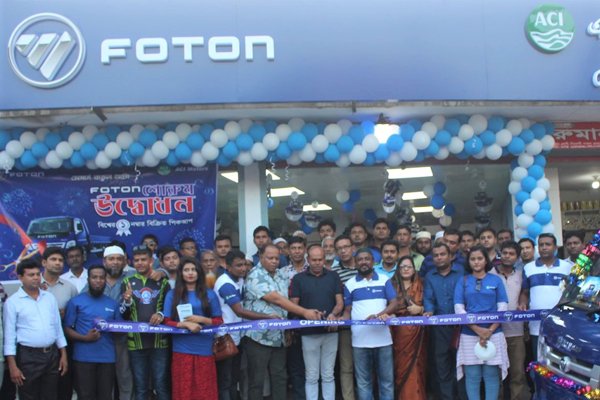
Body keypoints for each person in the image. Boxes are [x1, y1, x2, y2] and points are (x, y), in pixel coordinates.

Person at [242, 244, 321, 400]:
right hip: (258, 337)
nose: (274, 261)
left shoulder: (281, 275)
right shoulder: (254, 275)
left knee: (280, 378)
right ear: (261, 257)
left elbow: (288, 302)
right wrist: (305, 312)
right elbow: (277, 300)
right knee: (257, 381)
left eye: (277, 258)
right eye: (269, 258)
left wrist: (289, 327)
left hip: (279, 337)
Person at [214, 250, 279, 400]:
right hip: (225, 338)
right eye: (238, 265)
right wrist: (267, 317)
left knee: (234, 378)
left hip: (237, 336)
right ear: (228, 267)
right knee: (226, 381)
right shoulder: (225, 284)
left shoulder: (239, 279)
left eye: (244, 264)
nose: (243, 268)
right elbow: (239, 311)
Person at [3, 259, 68, 400]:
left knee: (51, 395)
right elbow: (9, 337)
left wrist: (63, 355)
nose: (36, 278)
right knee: (29, 395)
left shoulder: (49, 298)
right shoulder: (13, 302)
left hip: (52, 355)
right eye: (31, 275)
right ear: (20, 277)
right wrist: (12, 366)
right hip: (28, 356)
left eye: (38, 274)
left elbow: (57, 329)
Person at [163, 257, 223, 400]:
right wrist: (184, 324)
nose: (190, 273)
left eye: (193, 270)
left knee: (204, 391)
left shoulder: (209, 293)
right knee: (184, 391)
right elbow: (166, 321)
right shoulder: (172, 294)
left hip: (204, 348)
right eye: (186, 270)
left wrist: (201, 319)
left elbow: (219, 321)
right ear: (181, 273)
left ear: (199, 272)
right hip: (181, 349)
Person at [455, 245, 509, 400]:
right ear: (468, 262)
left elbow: (503, 307)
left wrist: (489, 330)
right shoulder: (463, 281)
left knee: (491, 374)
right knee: (472, 375)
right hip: (469, 334)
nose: (476, 262)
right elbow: (459, 308)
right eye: (473, 259)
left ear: (486, 260)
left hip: (494, 333)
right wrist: (478, 330)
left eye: (480, 258)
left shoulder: (496, 280)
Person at [343, 248, 397, 400]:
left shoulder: (384, 279)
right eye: (360, 259)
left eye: (367, 259)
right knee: (363, 382)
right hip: (360, 341)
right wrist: (340, 319)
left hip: (383, 340)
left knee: (386, 382)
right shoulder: (349, 284)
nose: (363, 262)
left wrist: (378, 316)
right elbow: (347, 310)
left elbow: (394, 303)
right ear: (355, 263)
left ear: (373, 262)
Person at [290, 245, 344, 400]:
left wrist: (333, 314)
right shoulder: (298, 279)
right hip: (308, 333)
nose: (317, 263)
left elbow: (340, 302)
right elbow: (293, 306)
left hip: (331, 331)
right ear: (308, 259)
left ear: (324, 259)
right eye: (314, 260)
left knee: (328, 374)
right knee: (311, 375)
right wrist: (308, 313)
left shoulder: (333, 276)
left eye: (320, 259)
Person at [121, 245, 171, 400]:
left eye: (144, 259)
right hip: (136, 343)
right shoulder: (127, 281)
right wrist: (127, 302)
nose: (140, 263)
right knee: (140, 386)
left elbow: (170, 308)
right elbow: (124, 315)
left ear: (151, 261)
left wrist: (161, 314)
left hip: (159, 342)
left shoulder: (163, 281)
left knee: (161, 384)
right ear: (131, 262)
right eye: (136, 260)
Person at [64, 265, 120, 400]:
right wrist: (85, 338)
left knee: (105, 396)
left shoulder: (113, 304)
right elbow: (67, 329)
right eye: (94, 277)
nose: (98, 281)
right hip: (83, 358)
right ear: (88, 279)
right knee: (85, 396)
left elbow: (120, 328)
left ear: (105, 280)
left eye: (101, 277)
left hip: (107, 358)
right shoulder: (76, 302)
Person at [423, 242, 465, 400]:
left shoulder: (461, 272)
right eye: (436, 255)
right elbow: (428, 298)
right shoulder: (430, 276)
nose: (439, 258)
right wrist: (429, 310)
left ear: (451, 256)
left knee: (461, 363)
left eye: (442, 254)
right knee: (442, 364)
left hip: (462, 326)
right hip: (439, 327)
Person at [519, 233, 571, 360]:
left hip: (562, 324)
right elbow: (525, 292)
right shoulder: (528, 268)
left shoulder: (567, 267)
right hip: (536, 325)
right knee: (539, 361)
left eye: (548, 244)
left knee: (561, 361)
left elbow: (571, 295)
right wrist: (522, 303)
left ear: (555, 247)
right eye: (541, 245)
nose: (544, 247)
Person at [490, 241, 529, 400]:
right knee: (495, 374)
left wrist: (523, 302)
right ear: (500, 254)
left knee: (517, 373)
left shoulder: (520, 274)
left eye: (511, 254)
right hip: (494, 332)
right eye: (504, 253)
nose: (507, 256)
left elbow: (524, 292)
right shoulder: (490, 274)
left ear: (517, 257)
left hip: (516, 332)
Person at [40, 247, 77, 400]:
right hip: (39, 343)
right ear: (44, 262)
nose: (57, 263)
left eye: (61, 260)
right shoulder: (33, 284)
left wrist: (67, 313)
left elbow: (77, 314)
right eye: (53, 259)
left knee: (64, 384)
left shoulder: (70, 287)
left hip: (65, 339)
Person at [389, 256, 427, 400]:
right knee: (400, 367)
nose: (405, 269)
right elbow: (386, 305)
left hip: (417, 332)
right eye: (402, 267)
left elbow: (431, 305)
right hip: (397, 332)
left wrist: (420, 309)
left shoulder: (422, 284)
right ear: (398, 269)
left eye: (409, 266)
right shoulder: (391, 285)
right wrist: (390, 313)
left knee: (416, 366)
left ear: (414, 269)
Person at [281, 236, 309, 400]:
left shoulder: (314, 268)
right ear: (288, 251)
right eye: (293, 248)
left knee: (313, 367)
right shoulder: (282, 273)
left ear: (305, 249)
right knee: (295, 365)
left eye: (300, 248)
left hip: (313, 323)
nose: (297, 251)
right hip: (292, 324)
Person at [331, 235, 358, 400]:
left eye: (346, 247)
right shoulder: (334, 273)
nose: (343, 251)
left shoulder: (364, 266)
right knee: (346, 366)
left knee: (365, 367)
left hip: (366, 325)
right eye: (339, 248)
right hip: (345, 326)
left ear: (353, 248)